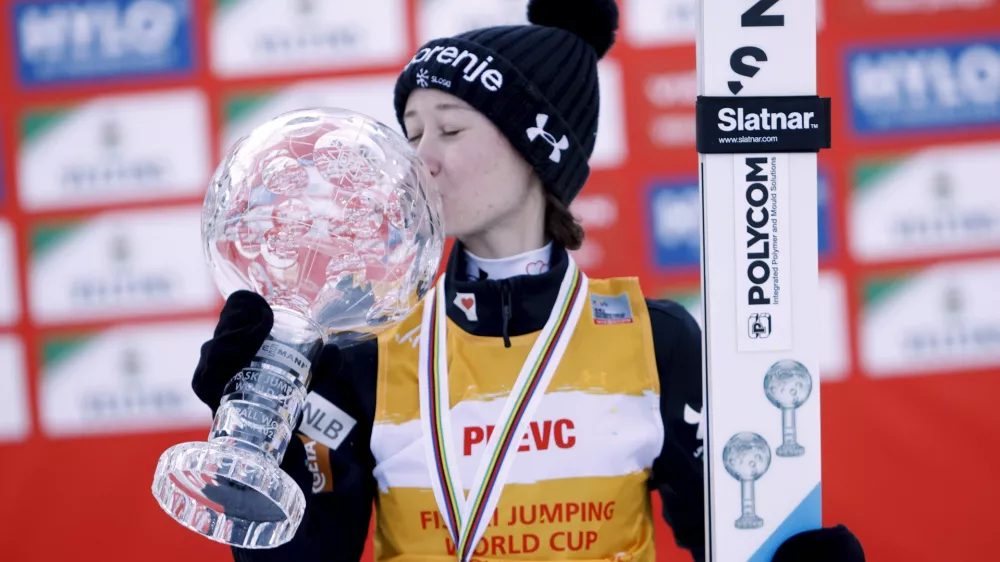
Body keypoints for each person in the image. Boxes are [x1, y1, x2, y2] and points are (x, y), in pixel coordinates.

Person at [192, 0, 864, 560]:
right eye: (412, 131)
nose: (417, 158)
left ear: (539, 149)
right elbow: (301, 554)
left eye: (449, 129)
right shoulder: (367, 348)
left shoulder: (652, 340)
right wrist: (255, 455)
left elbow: (729, 536)